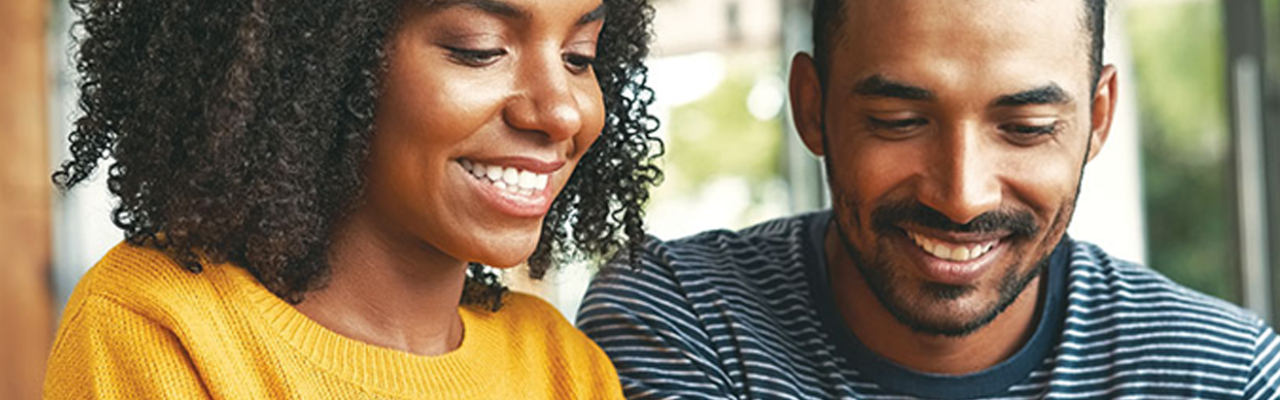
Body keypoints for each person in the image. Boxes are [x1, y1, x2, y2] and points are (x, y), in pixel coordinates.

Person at [577, 0, 1280, 398]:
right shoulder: (683, 319)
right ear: (811, 107)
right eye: (899, 122)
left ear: (1098, 119)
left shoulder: (1220, 374)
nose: (962, 194)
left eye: (1026, 129)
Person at [44, 0, 660, 398]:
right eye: (479, 49)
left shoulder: (562, 368)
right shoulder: (162, 329)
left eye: (580, 57)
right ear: (314, 61)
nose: (558, 110)